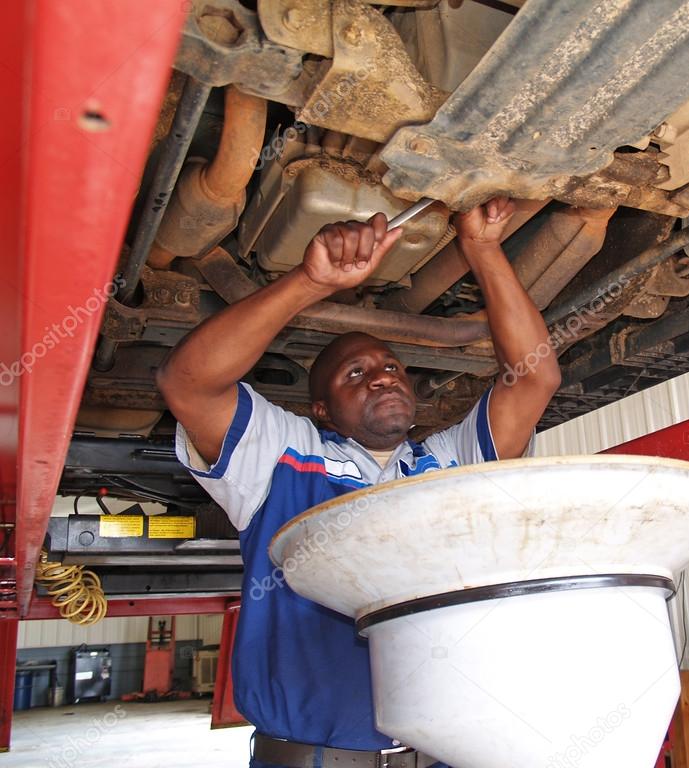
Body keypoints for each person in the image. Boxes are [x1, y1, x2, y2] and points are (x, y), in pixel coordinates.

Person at [156, 198, 561, 768]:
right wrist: (309, 282)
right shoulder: (284, 457)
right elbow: (188, 383)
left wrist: (483, 249)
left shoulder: (443, 464)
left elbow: (534, 376)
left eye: (392, 367)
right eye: (357, 374)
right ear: (321, 409)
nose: (381, 378)